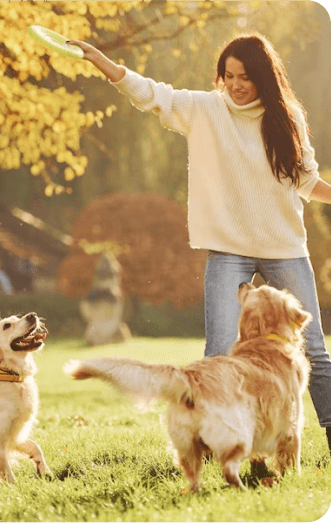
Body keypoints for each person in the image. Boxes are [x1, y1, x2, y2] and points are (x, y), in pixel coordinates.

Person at [67, 33, 331, 455]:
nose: (236, 84)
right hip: (228, 248)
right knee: (220, 348)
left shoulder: (287, 117)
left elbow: (305, 180)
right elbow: (150, 93)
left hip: (284, 246)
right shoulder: (205, 109)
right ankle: (217, 442)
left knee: (314, 349)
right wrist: (101, 61)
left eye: (245, 76)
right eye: (228, 75)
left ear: (264, 76)